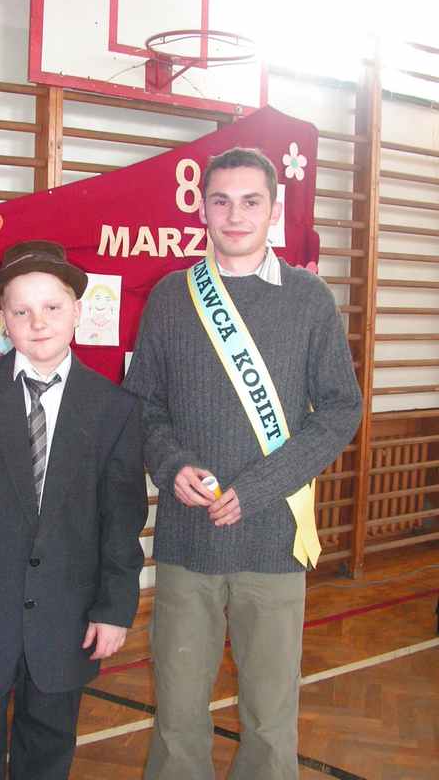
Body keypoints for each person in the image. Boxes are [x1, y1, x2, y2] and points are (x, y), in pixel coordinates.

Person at [124, 148, 362, 780]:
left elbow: (342, 408)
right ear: (202, 209)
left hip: (273, 537)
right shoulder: (171, 297)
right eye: (221, 201)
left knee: (270, 716)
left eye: (251, 201)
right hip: (188, 537)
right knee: (177, 714)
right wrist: (171, 463)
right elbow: (142, 405)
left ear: (273, 210)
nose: (235, 215)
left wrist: (258, 488)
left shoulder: (309, 299)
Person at [0, 240, 148, 780]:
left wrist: (114, 607)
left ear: (77, 311)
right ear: (2, 319)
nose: (38, 323)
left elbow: (121, 521)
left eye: (52, 307)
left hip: (68, 617)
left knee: (47, 750)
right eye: (21, 311)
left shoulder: (114, 408)